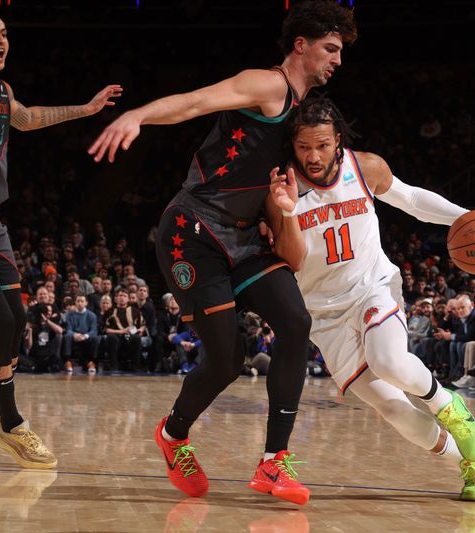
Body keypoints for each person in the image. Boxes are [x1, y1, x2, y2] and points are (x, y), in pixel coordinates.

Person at [88, 0, 357, 504]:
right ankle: (173, 435)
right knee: (227, 358)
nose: (337, 59)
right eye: (331, 48)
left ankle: (274, 464)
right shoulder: (269, 84)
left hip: (244, 236)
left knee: (296, 323)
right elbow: (194, 102)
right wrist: (138, 116)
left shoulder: (305, 117)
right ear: (301, 45)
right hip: (194, 232)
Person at [266, 96, 475, 501]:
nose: (313, 156)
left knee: (389, 361)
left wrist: (467, 216)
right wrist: (285, 212)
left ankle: (450, 405)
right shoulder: (284, 187)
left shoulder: (364, 166)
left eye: (322, 145)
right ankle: (473, 463)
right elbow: (292, 259)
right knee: (390, 408)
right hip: (323, 314)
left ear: (338, 140)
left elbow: (412, 200)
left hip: (372, 287)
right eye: (303, 147)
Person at [0, 11, 120, 469]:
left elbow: (29, 118)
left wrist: (86, 110)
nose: (0, 40)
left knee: (16, 315)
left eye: (5, 34)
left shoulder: (3, 91)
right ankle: (12, 423)